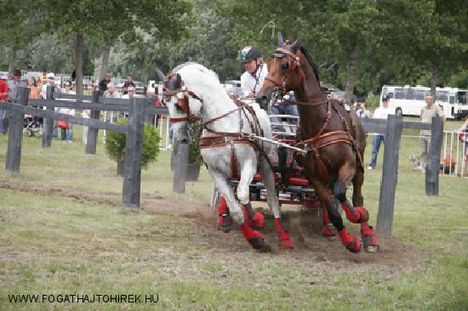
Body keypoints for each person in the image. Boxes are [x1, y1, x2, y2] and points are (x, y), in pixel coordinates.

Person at [419, 94, 444, 171]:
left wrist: (439, 128)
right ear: (425, 100)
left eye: (430, 99)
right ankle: (423, 166)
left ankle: (430, 167)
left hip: (431, 134)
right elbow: (421, 117)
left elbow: (442, 116)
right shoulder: (423, 108)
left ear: (432, 100)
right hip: (422, 133)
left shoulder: (436, 108)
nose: (429, 101)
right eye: (427, 99)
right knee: (423, 151)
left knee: (430, 152)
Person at [368, 95, 393, 170]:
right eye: (383, 101)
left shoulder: (391, 110)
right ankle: (372, 164)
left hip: (387, 132)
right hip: (377, 132)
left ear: (388, 101)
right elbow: (375, 119)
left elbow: (390, 120)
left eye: (386, 101)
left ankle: (388, 165)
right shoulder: (378, 110)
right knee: (375, 149)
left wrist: (382, 119)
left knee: (388, 150)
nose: (385, 102)